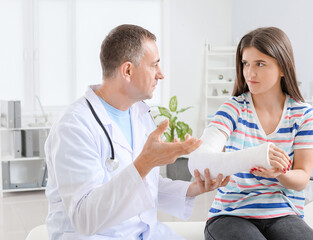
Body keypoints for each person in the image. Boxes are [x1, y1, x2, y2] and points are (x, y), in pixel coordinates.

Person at [44, 24, 230, 240]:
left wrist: (193, 189)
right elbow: (85, 217)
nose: (161, 74)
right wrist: (145, 163)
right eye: (154, 65)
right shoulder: (74, 126)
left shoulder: (139, 115)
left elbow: (146, 185)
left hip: (145, 233)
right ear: (128, 71)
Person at [191, 27, 313, 239]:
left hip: (283, 212)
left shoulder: (303, 114)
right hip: (231, 213)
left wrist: (280, 173)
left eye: (260, 64)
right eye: (246, 64)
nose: (250, 73)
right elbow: (201, 158)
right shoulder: (233, 109)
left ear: (283, 67)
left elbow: (302, 178)